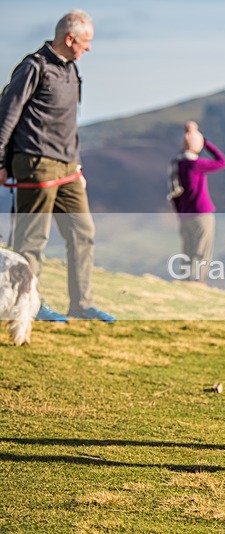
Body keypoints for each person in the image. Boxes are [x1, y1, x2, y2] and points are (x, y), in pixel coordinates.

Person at [0, 9, 114, 323]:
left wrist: (76, 165)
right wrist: (0, 161)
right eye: (86, 41)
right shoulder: (33, 67)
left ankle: (82, 303)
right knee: (31, 239)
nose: (88, 48)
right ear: (70, 38)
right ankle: (27, 307)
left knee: (83, 231)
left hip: (68, 168)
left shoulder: (71, 70)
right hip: (36, 162)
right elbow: (7, 114)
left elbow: (68, 125)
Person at [170, 121, 225, 283]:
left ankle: (184, 282)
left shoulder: (177, 165)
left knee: (187, 252)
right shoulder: (196, 165)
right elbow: (222, 162)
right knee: (201, 252)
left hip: (184, 216)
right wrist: (206, 143)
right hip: (201, 214)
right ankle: (197, 284)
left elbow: (174, 195)